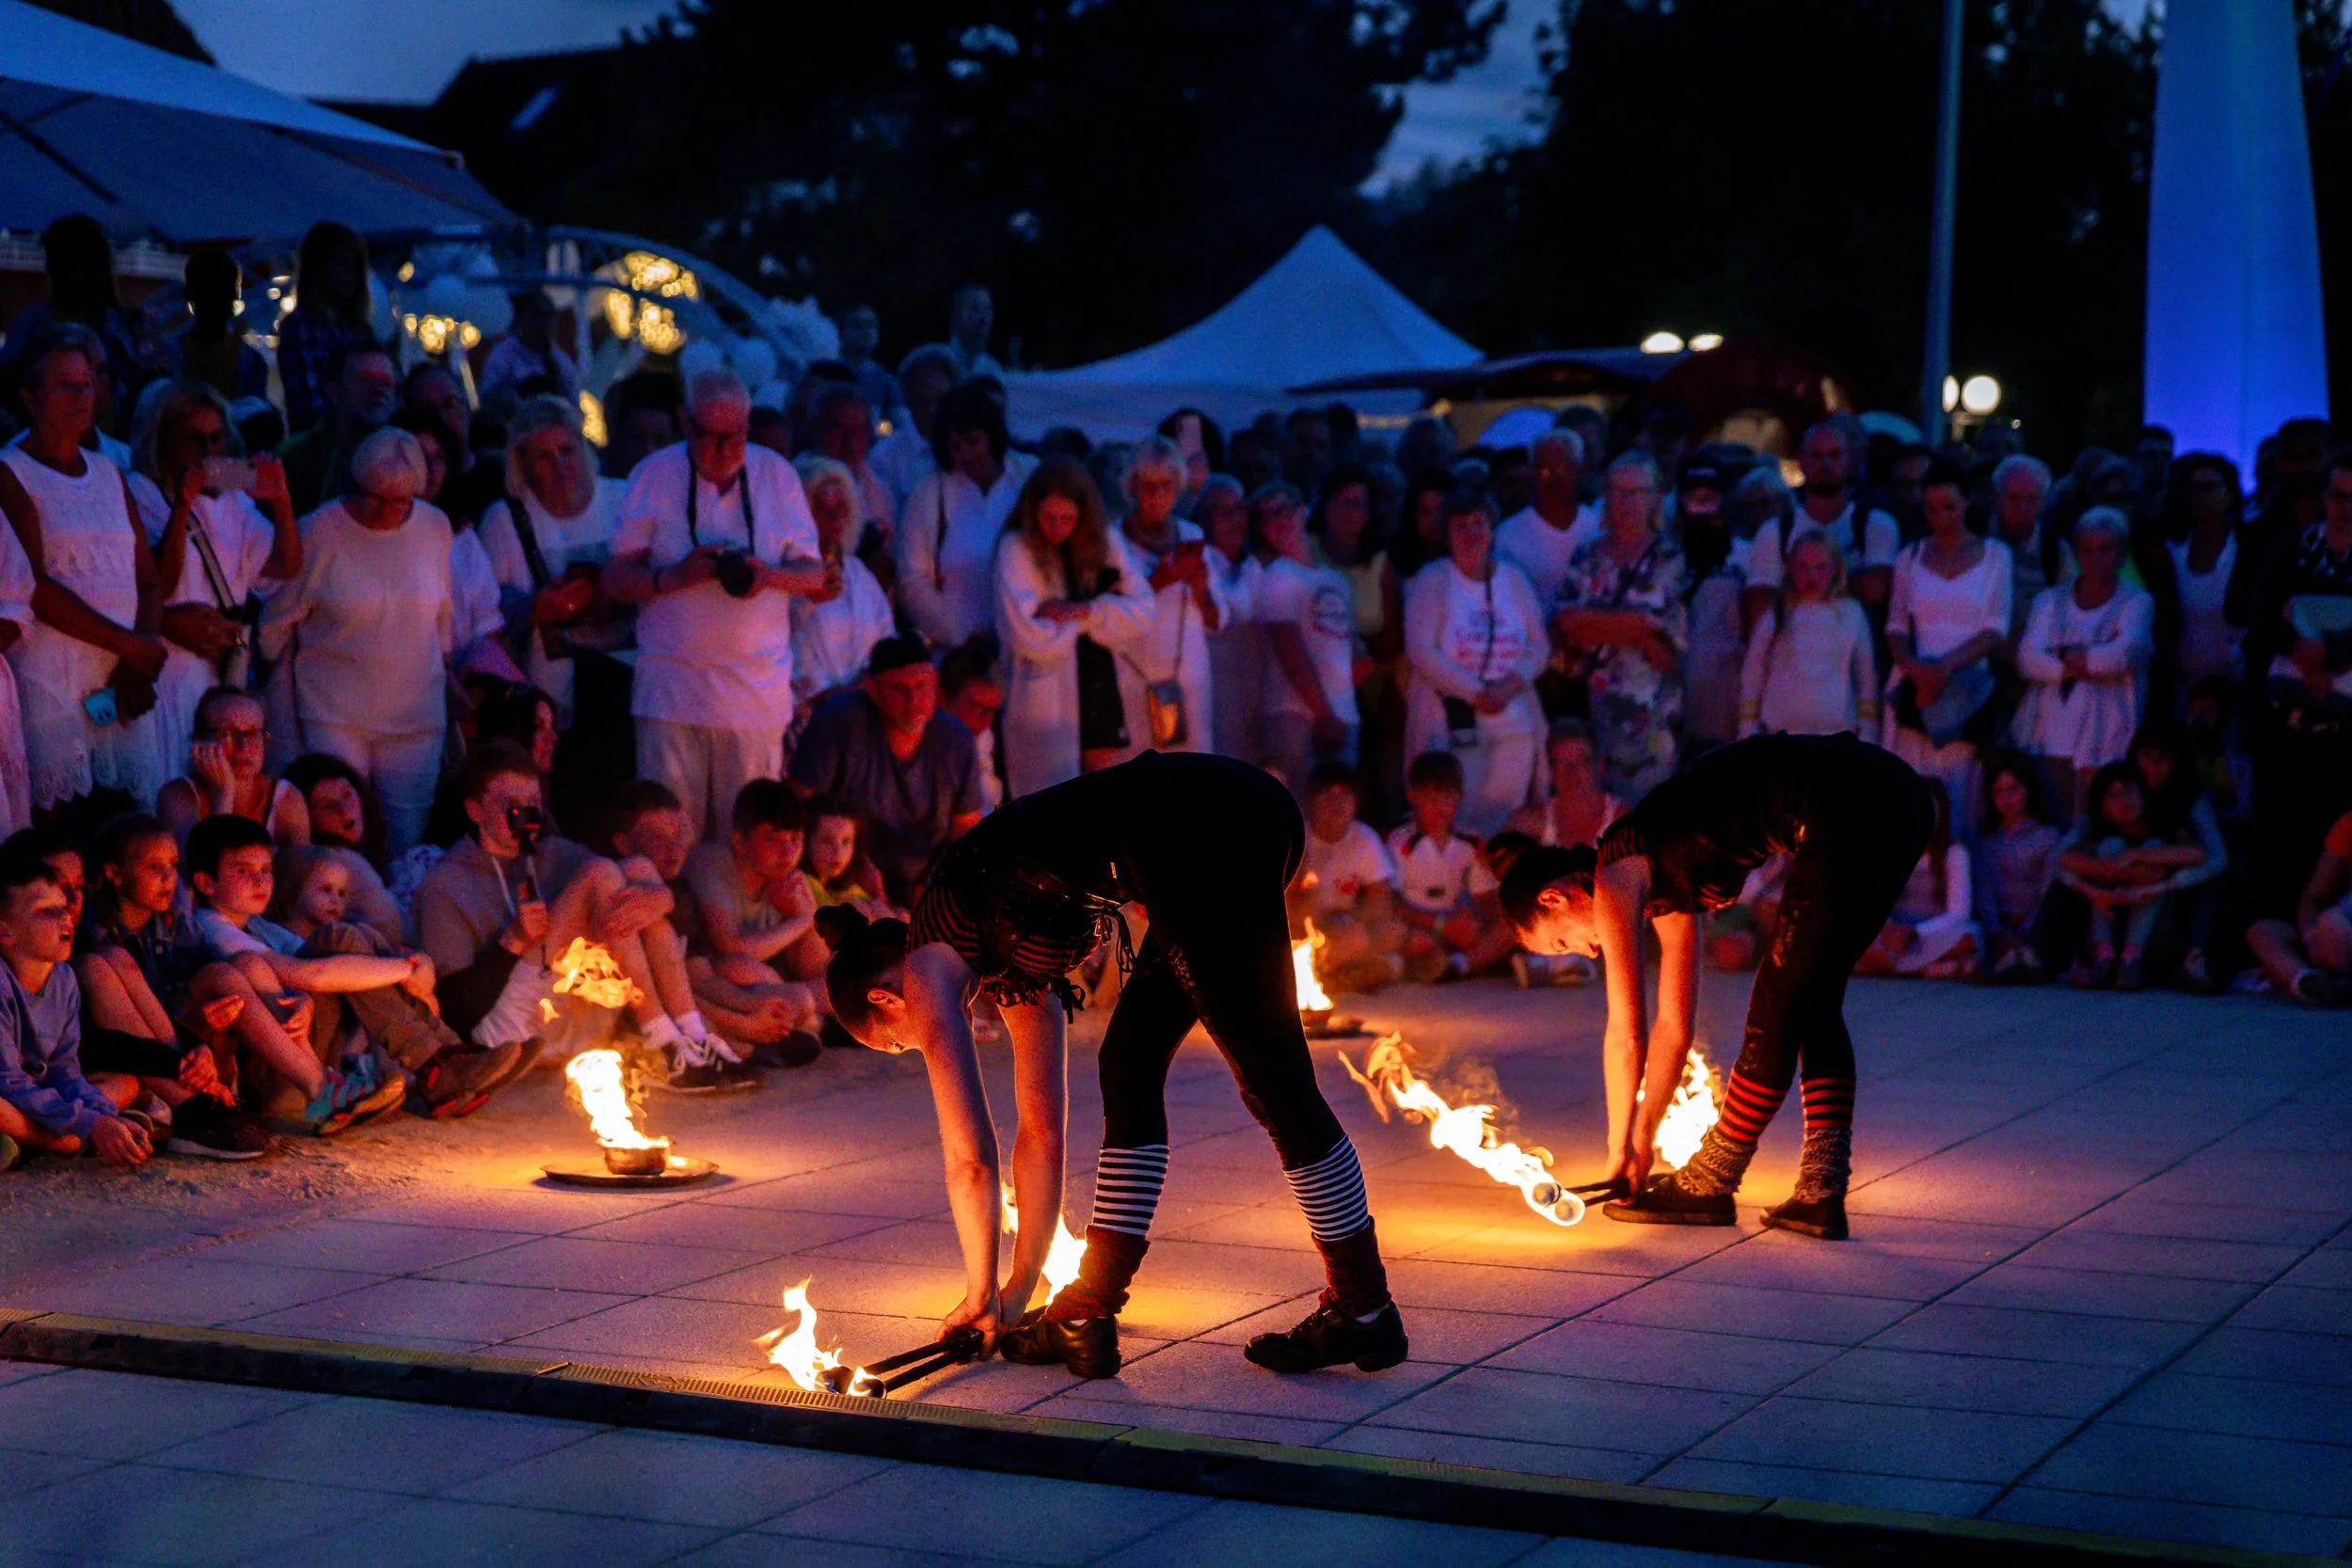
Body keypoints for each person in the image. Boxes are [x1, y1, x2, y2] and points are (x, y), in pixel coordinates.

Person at [825, 752, 1408, 1377]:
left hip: (1202, 829)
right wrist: (1016, 1292)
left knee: (1276, 1084)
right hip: (1235, 815)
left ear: (885, 1001)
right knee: (1129, 1060)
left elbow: (971, 1161)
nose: (914, 1046)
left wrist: (976, 1294)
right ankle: (1086, 1310)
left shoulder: (926, 964)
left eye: (895, 1044)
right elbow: (1038, 1132)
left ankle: (1364, 1305)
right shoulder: (1002, 954)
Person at [1502, 733, 1938, 1241]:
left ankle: (1714, 1178)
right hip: (1897, 798)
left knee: (1776, 1007)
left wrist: (1618, 1145)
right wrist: (1640, 1140)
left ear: (1554, 897)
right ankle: (1820, 1192)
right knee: (1812, 999)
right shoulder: (1656, 879)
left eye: (1562, 943)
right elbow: (1673, 1025)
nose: (1587, 952)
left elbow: (1628, 1033)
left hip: (1845, 804)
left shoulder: (1616, 874)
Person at [413, 741, 748, 1093]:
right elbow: (453, 1008)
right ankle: (658, 1041)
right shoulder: (444, 883)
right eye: (511, 807)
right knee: (599, 873)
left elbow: (634, 893)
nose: (524, 817)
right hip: (504, 1030)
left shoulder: (552, 851)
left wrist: (664, 898)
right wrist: (510, 943)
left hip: (567, 1010)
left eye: (533, 805)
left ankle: (693, 1036)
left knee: (639, 869)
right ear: (475, 811)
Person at [604, 369, 831, 843]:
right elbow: (615, 578)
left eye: (736, 438)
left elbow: (815, 574)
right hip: (670, 691)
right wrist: (675, 576)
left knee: (749, 845)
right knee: (668, 842)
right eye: (711, 438)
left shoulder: (777, 475)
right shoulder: (653, 474)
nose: (725, 451)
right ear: (686, 424)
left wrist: (768, 577)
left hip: (754, 696)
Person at [79, 813, 403, 1132]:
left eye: (173, 866)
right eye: (154, 868)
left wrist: (300, 1000)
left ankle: (323, 1087)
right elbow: (117, 1021)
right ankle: (373, 1076)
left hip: (193, 1040)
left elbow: (212, 979)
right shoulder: (98, 936)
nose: (168, 877)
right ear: (114, 874)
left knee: (243, 966)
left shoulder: (178, 925)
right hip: (153, 1056)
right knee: (337, 945)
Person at [184, 815, 516, 1117]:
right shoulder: (212, 930)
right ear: (206, 883)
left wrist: (416, 962)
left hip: (304, 1054)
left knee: (353, 940)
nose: (260, 881)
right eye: (243, 872)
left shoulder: (260, 927)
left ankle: (449, 1055)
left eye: (265, 870)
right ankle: (435, 1066)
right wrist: (408, 969)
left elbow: (338, 971)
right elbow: (311, 975)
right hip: (273, 1073)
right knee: (339, 940)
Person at [258, 428, 453, 856]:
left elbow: (442, 619)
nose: (387, 512)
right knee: (338, 841)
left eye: (400, 502)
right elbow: (276, 621)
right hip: (334, 715)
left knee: (407, 842)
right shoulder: (318, 532)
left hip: (416, 719)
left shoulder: (435, 528)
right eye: (376, 497)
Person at [1, 332, 169, 826]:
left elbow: (149, 580)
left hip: (121, 683)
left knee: (125, 826)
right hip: (53, 685)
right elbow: (33, 587)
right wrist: (131, 646)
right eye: (65, 386)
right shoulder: (12, 472)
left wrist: (139, 659)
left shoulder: (109, 472)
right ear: (30, 398)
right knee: (66, 826)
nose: (81, 396)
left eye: (87, 384)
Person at [131, 380, 301, 768]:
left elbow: (284, 567)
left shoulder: (233, 500)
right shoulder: (140, 491)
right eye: (194, 439)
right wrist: (182, 507)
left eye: (216, 438)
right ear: (163, 441)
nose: (209, 452)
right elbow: (160, 583)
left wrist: (281, 499)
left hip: (221, 674)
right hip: (168, 676)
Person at [2235, 448, 2352, 920]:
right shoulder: (2290, 548)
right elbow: (2260, 614)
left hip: (2346, 730)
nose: (2349, 508)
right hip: (2285, 723)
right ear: (2326, 496)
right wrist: (2301, 650)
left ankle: (2325, 936)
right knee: (2278, 831)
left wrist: (2330, 654)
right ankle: (2274, 937)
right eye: (2342, 496)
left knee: (2336, 833)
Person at [994, 458, 1155, 798]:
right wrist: (1091, 618)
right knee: (1052, 799)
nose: (1056, 528)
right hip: (1045, 691)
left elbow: (1143, 609)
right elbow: (1024, 632)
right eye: (1047, 518)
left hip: (1098, 679)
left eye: (1066, 519)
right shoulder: (1016, 547)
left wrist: (1080, 613)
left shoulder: (1103, 539)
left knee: (1105, 799)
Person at [788, 637, 986, 905]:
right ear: (872, 690)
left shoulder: (957, 738)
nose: (913, 700)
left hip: (925, 881)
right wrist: (855, 864)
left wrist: (935, 885)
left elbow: (966, 829)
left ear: (935, 682)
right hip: (843, 875)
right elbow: (800, 802)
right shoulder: (838, 721)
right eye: (899, 689)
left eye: (921, 686)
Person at [477, 394, 631, 726]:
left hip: (625, 679)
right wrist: (533, 609)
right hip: (550, 696)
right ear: (524, 465)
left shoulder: (623, 499)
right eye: (544, 457)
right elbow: (483, 612)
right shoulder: (505, 520)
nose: (560, 467)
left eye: (567, 451)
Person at [1403, 490, 1548, 835]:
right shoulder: (1432, 579)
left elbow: (1538, 645)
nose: (1471, 534)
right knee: (1452, 819)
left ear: (1492, 528)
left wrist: (1509, 686)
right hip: (1450, 723)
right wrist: (1475, 692)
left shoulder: (1513, 578)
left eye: (1478, 524)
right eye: (1460, 527)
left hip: (1512, 722)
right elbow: (1421, 650)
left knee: (1503, 821)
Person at [0, 854, 152, 1170]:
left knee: (127, 1083)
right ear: (5, 932)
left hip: (34, 1099)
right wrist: (90, 1124)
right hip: (9, 1095)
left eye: (64, 907)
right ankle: (57, 1142)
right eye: (47, 911)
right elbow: (8, 1082)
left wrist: (104, 1117)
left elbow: (63, 1070)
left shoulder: (65, 980)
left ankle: (29, 1141)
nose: (66, 917)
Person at [1883, 459, 2011, 821]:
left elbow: (1995, 629)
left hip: (1966, 688)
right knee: (1908, 795)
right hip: (1914, 687)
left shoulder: (1996, 556)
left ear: (1967, 502)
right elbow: (1895, 626)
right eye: (1932, 509)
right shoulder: (1910, 556)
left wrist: (1943, 668)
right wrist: (1915, 670)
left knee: (1959, 797)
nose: (1940, 517)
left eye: (1950, 508)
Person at [1556, 452, 1689, 800]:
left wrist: (1596, 623)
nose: (1626, 501)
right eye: (1618, 491)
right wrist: (1639, 630)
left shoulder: (1669, 556)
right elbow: (1567, 624)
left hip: (1652, 720)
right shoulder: (1585, 556)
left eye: (1636, 492)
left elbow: (1665, 647)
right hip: (1593, 715)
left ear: (1655, 497)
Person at [2011, 507, 2155, 816]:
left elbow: (2123, 657)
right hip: (2049, 736)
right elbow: (2026, 661)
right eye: (2087, 550)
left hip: (2108, 738)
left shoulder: (2137, 601)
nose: (2096, 559)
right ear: (2076, 554)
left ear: (2121, 554)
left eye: (2105, 549)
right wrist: (2092, 658)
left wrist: (2060, 654)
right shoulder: (2049, 600)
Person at [674, 781, 825, 1069]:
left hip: (768, 983)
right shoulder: (712, 864)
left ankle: (801, 1020)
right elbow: (728, 947)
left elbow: (821, 970)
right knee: (740, 967)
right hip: (718, 984)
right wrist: (803, 919)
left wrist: (803, 922)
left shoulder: (789, 878)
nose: (787, 851)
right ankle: (800, 1025)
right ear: (739, 842)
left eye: (795, 839)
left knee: (809, 989)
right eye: (772, 838)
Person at [898, 382, 1035, 655]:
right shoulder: (928, 494)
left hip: (1029, 643)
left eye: (973, 442)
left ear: (991, 435)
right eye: (956, 446)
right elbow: (912, 580)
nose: (967, 455)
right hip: (958, 653)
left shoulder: (1029, 477)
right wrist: (961, 636)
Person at [1109, 437, 1223, 761]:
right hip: (1133, 676)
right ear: (1132, 486)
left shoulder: (1192, 535)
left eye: (1166, 486)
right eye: (1148, 486)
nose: (1158, 496)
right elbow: (1108, 613)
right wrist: (1160, 581)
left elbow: (1216, 618)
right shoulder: (1113, 541)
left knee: (1193, 776)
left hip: (1189, 680)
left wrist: (1200, 590)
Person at [2053, 763, 2204, 990]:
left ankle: (2133, 957)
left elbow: (2196, 854)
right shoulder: (2097, 834)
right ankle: (2103, 954)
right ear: (2102, 807)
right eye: (2113, 794)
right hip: (2111, 917)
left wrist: (2137, 857)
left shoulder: (2165, 827)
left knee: (2155, 847)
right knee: (2110, 846)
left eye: (2129, 789)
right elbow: (2064, 858)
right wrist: (2105, 880)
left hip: (2157, 936)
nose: (2125, 799)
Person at [1254, 483, 1363, 794]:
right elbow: (1288, 649)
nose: (1277, 521)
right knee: (1296, 812)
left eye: (1282, 509)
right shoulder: (1278, 575)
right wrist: (1325, 714)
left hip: (1342, 713)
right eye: (1266, 518)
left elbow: (1347, 646)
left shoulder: (1334, 579)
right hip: (1296, 714)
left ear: (1304, 511)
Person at [1741, 420, 1899, 623]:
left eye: (1834, 455)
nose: (1825, 464)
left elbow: (1877, 588)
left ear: (1850, 462)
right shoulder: (1775, 531)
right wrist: (1844, 584)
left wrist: (1797, 589)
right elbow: (1758, 605)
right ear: (1801, 462)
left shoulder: (1876, 525)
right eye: (1816, 455)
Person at [1388, 751, 1512, 982]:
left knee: (1513, 922)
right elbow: (1392, 904)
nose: (1441, 807)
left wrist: (1482, 920)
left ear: (1460, 797)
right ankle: (1463, 961)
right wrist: (1443, 925)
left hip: (1453, 925)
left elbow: (1485, 899)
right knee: (1409, 938)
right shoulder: (1400, 842)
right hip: (1417, 925)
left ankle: (1458, 965)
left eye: (1448, 798)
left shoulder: (1470, 842)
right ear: (1412, 796)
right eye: (1431, 797)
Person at [787, 456, 895, 713]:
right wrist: (825, 698)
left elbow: (886, 639)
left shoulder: (860, 575)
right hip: (808, 717)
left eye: (841, 507)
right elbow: (784, 639)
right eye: (823, 509)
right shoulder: (787, 574)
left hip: (866, 713)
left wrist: (863, 687)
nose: (835, 518)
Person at [1292, 760, 1405, 993]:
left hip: (1347, 929)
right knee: (1374, 953)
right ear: (1312, 802)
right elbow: (1284, 904)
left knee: (1393, 933)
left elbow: (1380, 901)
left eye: (1345, 794)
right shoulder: (1296, 838)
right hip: (1302, 932)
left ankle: (1326, 975)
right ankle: (1325, 975)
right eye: (1328, 795)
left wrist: (1351, 919)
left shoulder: (1364, 839)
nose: (1338, 803)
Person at [155, 688, 308, 849]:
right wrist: (223, 793)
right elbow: (202, 868)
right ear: (198, 741)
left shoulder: (285, 799)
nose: (243, 746)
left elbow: (301, 871)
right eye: (226, 733)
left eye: (253, 733)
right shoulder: (178, 796)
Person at [1855, 790, 1979, 979]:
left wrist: (1915, 932)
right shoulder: (1891, 850)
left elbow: (1959, 913)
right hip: (1893, 933)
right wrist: (1889, 929)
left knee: (1969, 936)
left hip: (1930, 932)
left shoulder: (1954, 852)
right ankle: (1929, 969)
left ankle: (1897, 968)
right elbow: (1874, 899)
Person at [275, 223, 377, 435]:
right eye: (342, 263)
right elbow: (308, 409)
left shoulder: (360, 330)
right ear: (318, 267)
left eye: (356, 267)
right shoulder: (299, 327)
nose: (352, 275)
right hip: (320, 455)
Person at [2245, 803, 2352, 1006]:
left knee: (2333, 923)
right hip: (2335, 931)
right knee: (2262, 931)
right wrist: (2310, 934)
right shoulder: (2349, 824)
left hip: (2340, 932)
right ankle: (2308, 981)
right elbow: (2313, 897)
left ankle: (2338, 981)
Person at [276, 344, 398, 514]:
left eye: (386, 383)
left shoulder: (405, 457)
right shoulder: (293, 459)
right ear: (333, 390)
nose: (378, 390)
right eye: (364, 380)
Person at [2162, 454, 2244, 702]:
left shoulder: (2247, 550)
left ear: (2229, 494)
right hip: (2181, 689)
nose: (2203, 497)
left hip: (2236, 688)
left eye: (2211, 487)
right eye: (2195, 490)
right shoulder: (2169, 553)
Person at [1975, 756, 2063, 984]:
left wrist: (2026, 931)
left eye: (2013, 789)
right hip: (1998, 928)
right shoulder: (1986, 840)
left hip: (2034, 926)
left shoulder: (2047, 836)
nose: (2007, 799)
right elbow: (1984, 891)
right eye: (1998, 791)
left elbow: (2047, 892)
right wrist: (1996, 931)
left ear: (2028, 789)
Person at [1197, 476, 1263, 762]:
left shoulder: (1254, 565)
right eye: (1225, 512)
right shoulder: (1201, 563)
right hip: (1212, 691)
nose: (1236, 520)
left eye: (1239, 510)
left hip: (1252, 692)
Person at [1495, 430, 1600, 610]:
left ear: (1580, 469)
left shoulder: (1598, 525)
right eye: (1543, 469)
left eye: (1562, 467)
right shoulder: (1507, 535)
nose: (1553, 478)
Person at [169, 250, 271, 406]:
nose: (215, 302)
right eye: (210, 292)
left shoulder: (170, 358)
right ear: (235, 296)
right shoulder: (249, 361)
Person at [869, 344, 955, 514]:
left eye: (940, 400)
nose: (933, 411)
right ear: (908, 400)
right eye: (923, 401)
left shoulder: (968, 450)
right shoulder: (885, 457)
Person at [479, 291, 580, 405]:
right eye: (536, 315)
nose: (543, 323)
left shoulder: (560, 361)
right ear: (521, 318)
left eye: (549, 316)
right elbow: (490, 399)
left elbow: (572, 403)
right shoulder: (502, 357)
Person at [835, 303, 901, 433]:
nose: (866, 331)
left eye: (871, 325)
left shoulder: (886, 382)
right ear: (841, 332)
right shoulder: (827, 375)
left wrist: (878, 432)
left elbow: (895, 424)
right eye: (857, 325)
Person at [946, 284, 1002, 381]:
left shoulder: (991, 369)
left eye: (987, 309)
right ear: (955, 316)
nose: (983, 319)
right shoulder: (936, 364)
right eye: (975, 309)